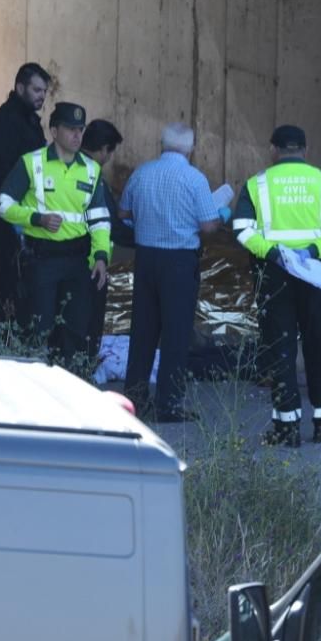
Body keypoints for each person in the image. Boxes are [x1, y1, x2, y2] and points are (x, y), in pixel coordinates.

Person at [233, 125, 321, 447]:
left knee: (280, 349)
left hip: (274, 275)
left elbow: (242, 230)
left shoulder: (257, 185)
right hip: (314, 274)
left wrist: (274, 253)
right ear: (305, 149)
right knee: (320, 347)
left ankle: (286, 430)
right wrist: (311, 251)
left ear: (273, 150)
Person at [119, 122, 227, 422]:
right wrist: (221, 217)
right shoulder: (195, 180)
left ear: (161, 143)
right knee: (176, 335)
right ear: (190, 148)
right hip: (180, 262)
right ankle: (169, 404)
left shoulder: (141, 173)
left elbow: (124, 213)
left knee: (143, 331)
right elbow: (207, 226)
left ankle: (135, 400)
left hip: (146, 259)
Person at [0, 102, 111, 370]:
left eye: (80, 129)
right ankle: (33, 383)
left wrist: (101, 256)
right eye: (70, 129)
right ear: (54, 130)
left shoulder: (91, 170)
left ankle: (68, 383)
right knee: (38, 326)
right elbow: (3, 204)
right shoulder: (31, 163)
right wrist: (36, 219)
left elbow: (100, 219)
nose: (77, 135)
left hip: (78, 261)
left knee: (75, 329)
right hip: (42, 259)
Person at [0, 63, 51, 327]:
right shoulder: (5, 122)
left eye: (44, 90)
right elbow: (3, 173)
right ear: (20, 87)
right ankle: (3, 330)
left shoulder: (28, 121)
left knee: (18, 270)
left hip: (19, 211)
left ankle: (9, 329)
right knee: (12, 270)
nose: (41, 96)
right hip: (5, 212)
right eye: (36, 89)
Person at [81, 119, 133, 361]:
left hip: (69, 257)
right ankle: (84, 368)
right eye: (110, 152)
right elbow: (112, 227)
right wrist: (146, 237)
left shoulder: (69, 167)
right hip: (93, 263)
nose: (110, 158)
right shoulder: (95, 179)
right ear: (103, 149)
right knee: (89, 326)